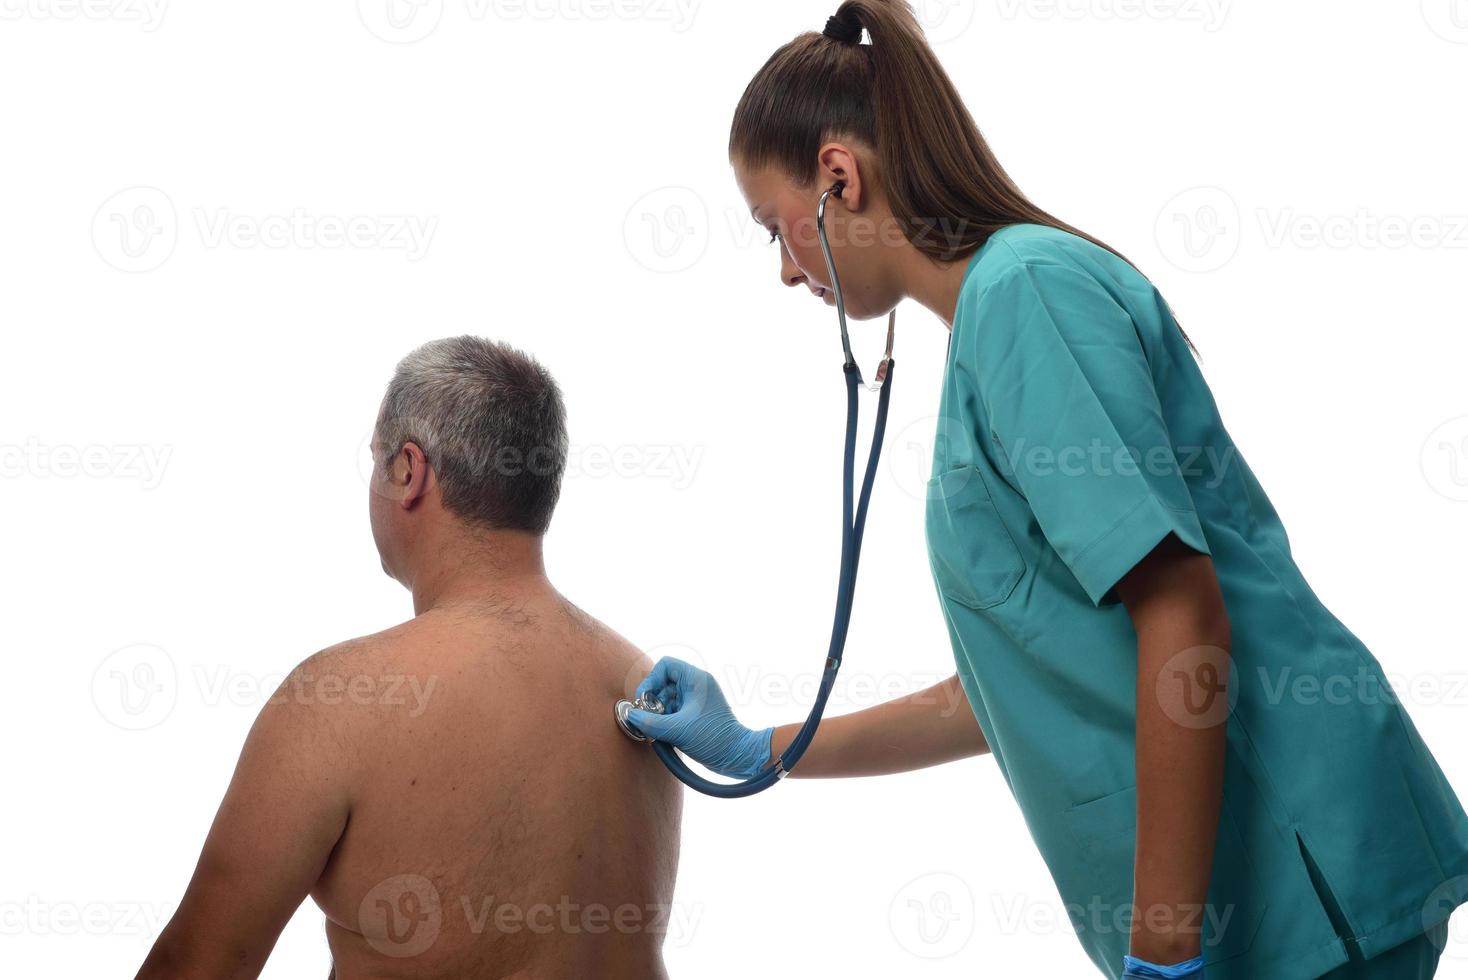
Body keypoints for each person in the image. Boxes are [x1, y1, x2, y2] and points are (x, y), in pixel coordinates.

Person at [625, 3, 1468, 978]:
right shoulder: (994, 327)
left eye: (774, 226)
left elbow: (1182, 615)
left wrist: (1160, 948)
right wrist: (761, 744)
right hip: (1259, 904)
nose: (782, 269)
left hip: (1296, 874)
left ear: (836, 177)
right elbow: (1007, 692)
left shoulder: (1023, 297)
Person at [137, 336, 682, 979]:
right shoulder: (643, 690)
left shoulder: (341, 700)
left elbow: (195, 968)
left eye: (377, 459)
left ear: (408, 471)